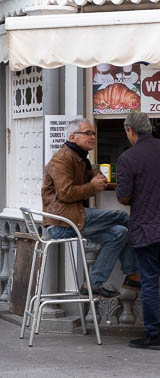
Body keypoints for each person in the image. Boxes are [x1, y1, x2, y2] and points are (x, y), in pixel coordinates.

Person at [41, 118, 140, 298]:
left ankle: (92, 284)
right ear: (72, 137)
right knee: (121, 216)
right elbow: (65, 193)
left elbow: (93, 173)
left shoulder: (80, 157)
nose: (93, 136)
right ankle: (136, 272)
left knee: (121, 233)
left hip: (72, 218)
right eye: (87, 133)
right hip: (61, 223)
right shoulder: (62, 158)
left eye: (93, 133)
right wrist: (92, 187)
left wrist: (95, 173)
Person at [116, 112, 160, 350]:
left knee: (149, 281)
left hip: (146, 227)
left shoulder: (128, 158)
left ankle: (153, 336)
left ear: (130, 131)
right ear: (149, 127)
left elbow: (124, 197)